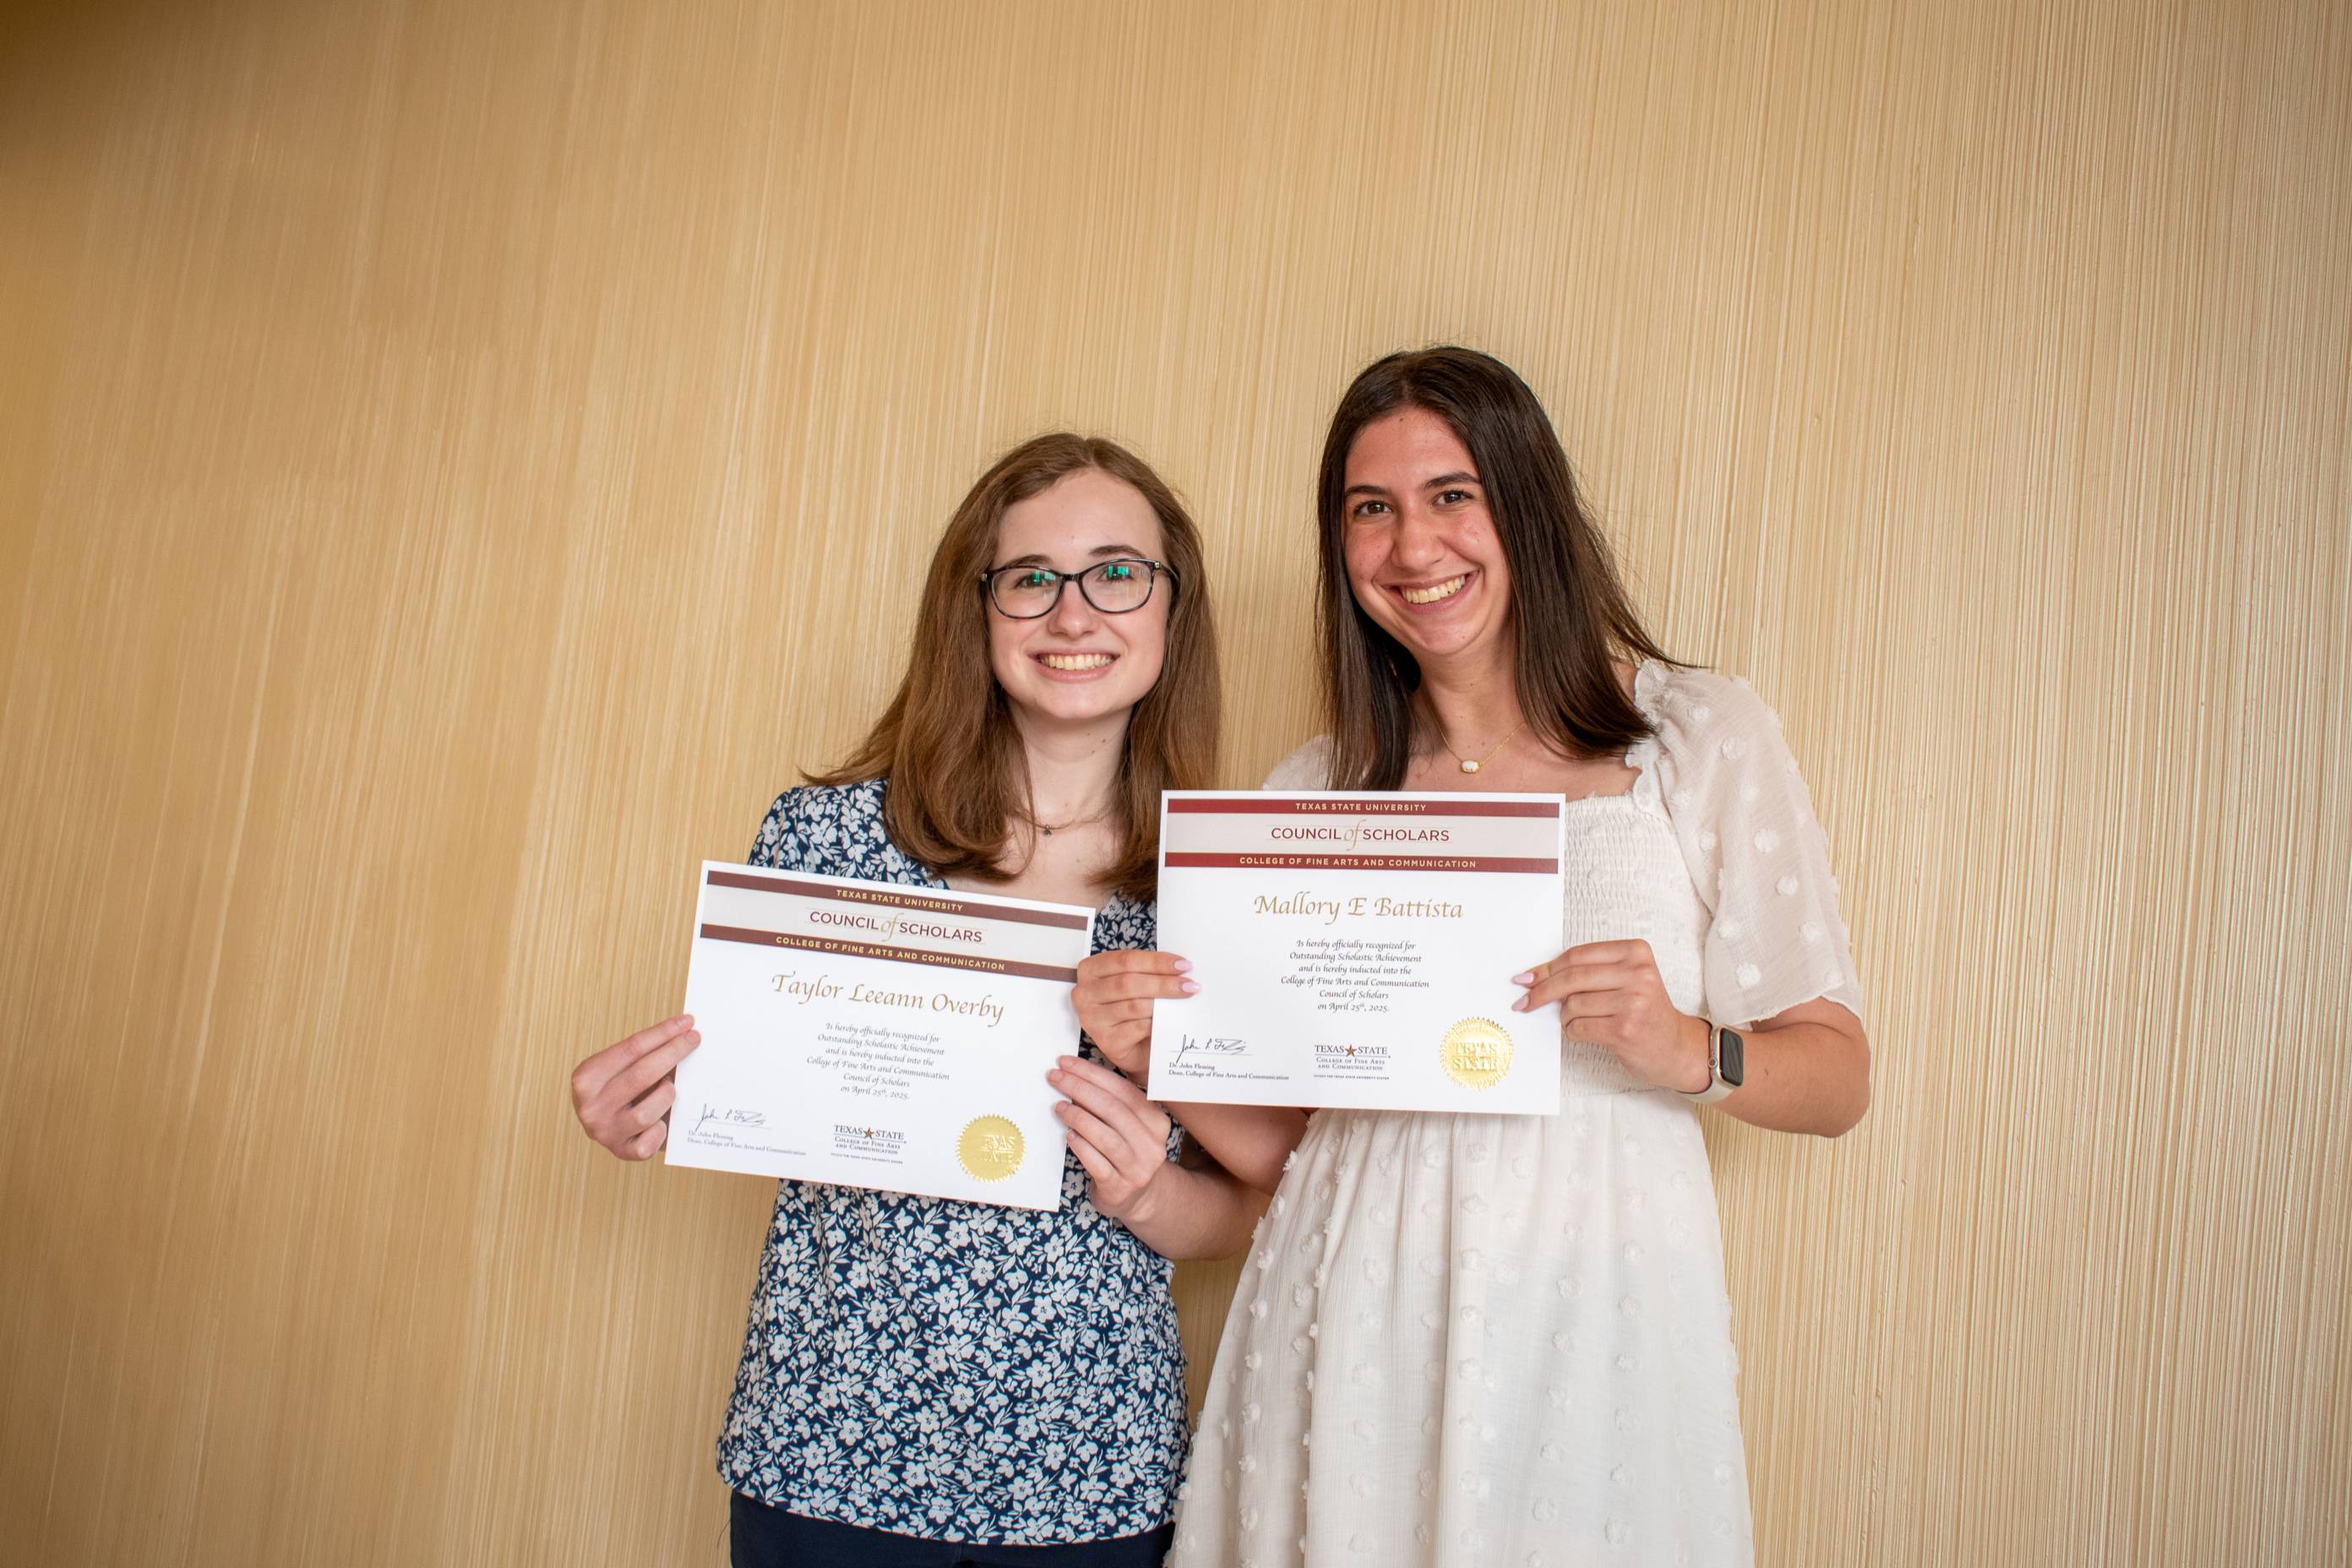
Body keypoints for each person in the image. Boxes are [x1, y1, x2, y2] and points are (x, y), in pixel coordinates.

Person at [1074, 347, 1870, 1567]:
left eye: (1454, 495)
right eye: (1370, 509)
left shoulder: (1694, 733)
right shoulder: (1312, 792)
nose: (1413, 547)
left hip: (1593, 1304)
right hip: (1345, 1302)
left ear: (1526, 503)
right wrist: (1164, 1058)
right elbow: (1297, 1148)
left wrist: (1684, 1047)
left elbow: (1841, 1079)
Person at [569, 433, 1267, 1567]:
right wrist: (646, 1108)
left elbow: (1250, 1200)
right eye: (1030, 578)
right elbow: (750, 1088)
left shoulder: (1221, 892)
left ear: (1173, 611)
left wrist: (1150, 1198)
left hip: (1085, 1471)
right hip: (828, 1447)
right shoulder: (830, 839)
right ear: (975, 612)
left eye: (1117, 573)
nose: (1074, 613)